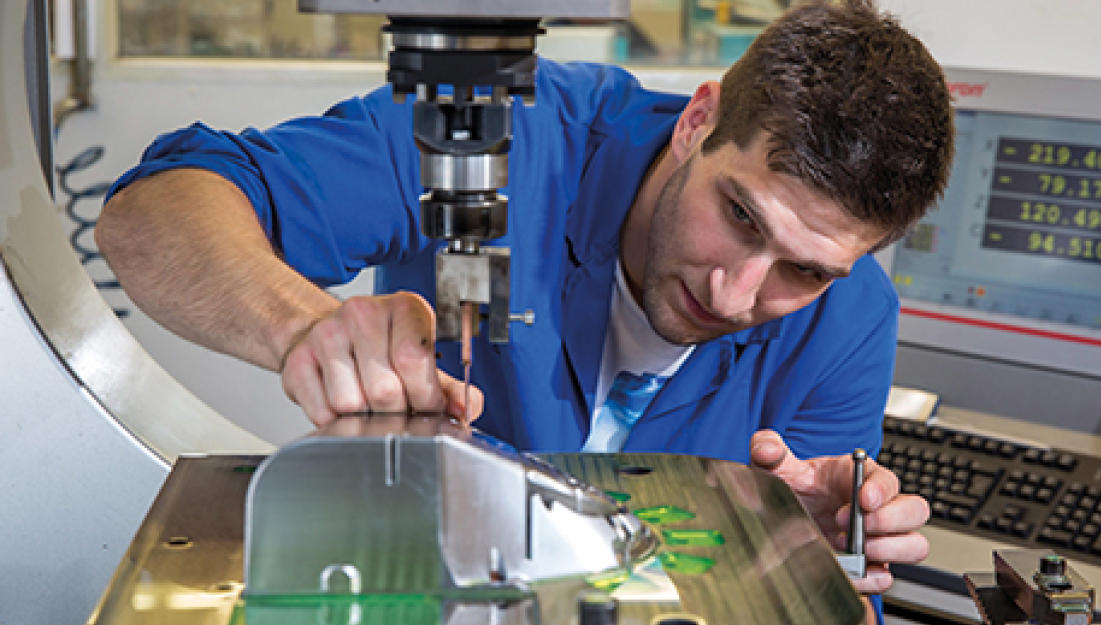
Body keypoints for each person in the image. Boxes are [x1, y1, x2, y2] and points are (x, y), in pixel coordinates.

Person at [97, 1, 953, 622]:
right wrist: (302, 327)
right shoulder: (495, 137)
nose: (736, 295)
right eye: (738, 216)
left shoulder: (850, 320)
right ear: (698, 120)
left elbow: (813, 593)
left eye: (802, 270)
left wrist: (802, 563)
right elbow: (153, 215)